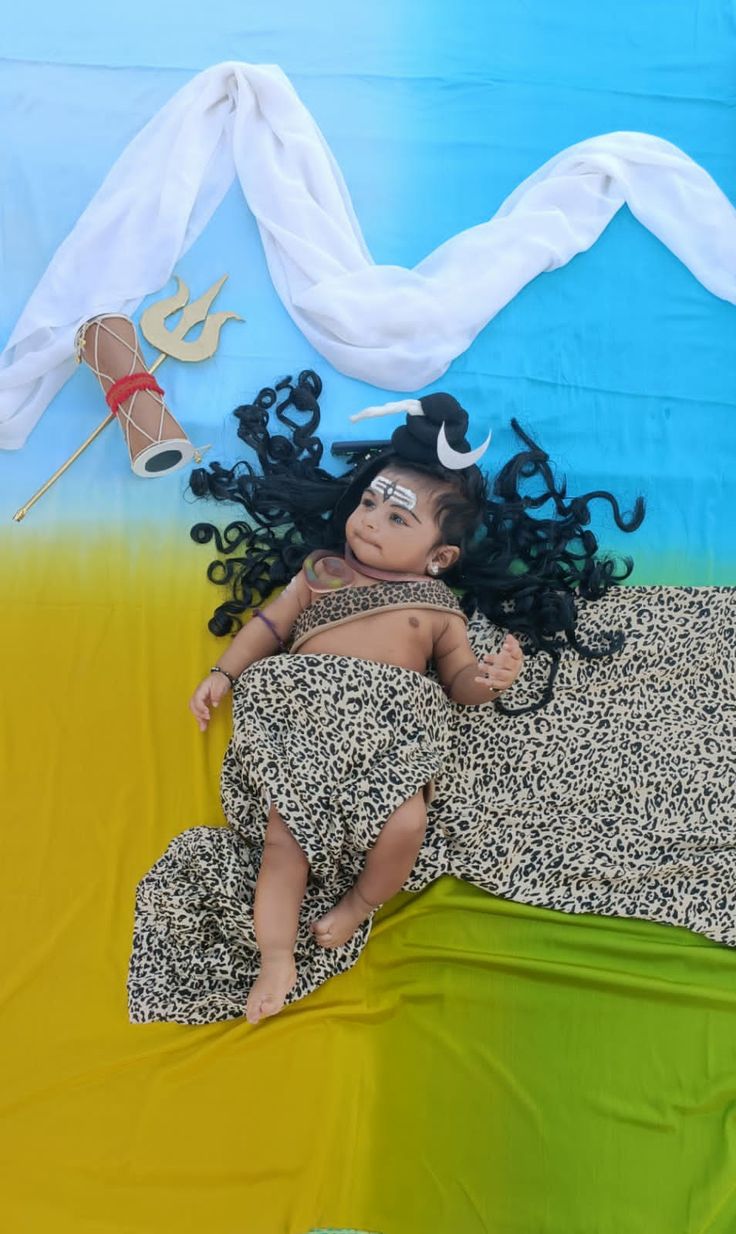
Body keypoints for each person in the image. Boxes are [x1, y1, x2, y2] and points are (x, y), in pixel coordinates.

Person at [127, 372, 644, 1028]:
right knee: (286, 840)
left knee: (407, 826)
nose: (369, 521)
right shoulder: (321, 573)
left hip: (387, 739)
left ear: (439, 556)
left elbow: (455, 687)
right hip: (306, 723)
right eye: (369, 503)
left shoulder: (438, 610)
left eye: (397, 517)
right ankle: (277, 954)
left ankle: (359, 904)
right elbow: (268, 626)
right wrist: (223, 674)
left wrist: (490, 681)